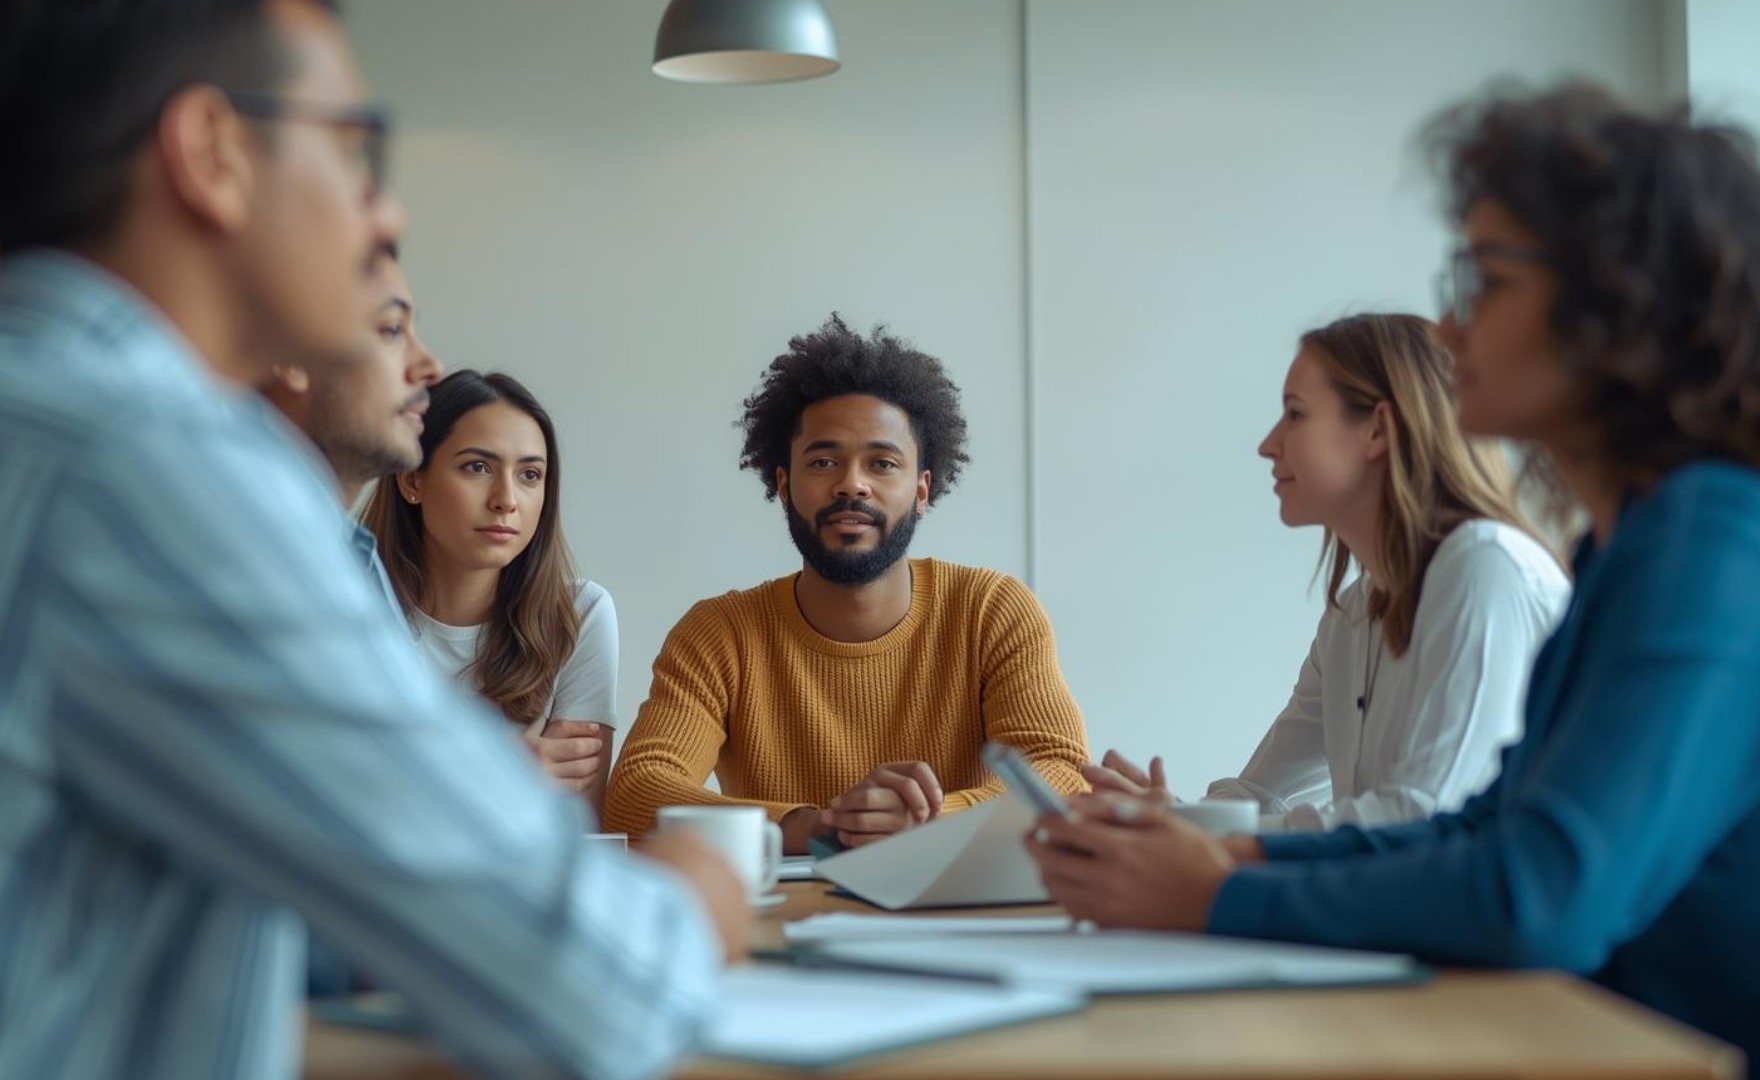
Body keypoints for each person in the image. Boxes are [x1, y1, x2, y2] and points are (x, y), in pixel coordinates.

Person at [0, 4, 745, 1079]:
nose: (382, 206)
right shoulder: (150, 464)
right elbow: (587, 984)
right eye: (354, 150)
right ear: (212, 154)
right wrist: (700, 891)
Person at [1026, 83, 1760, 1071]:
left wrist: (1215, 891)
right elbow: (1485, 828)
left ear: (1613, 303)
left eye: (1482, 282)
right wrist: (1229, 856)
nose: (1448, 332)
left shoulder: (1705, 548)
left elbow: (1535, 894)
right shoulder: (1623, 547)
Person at [604, 314, 1091, 853]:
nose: (851, 484)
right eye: (824, 461)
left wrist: (931, 821)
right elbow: (635, 794)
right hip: (781, 925)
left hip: (953, 917)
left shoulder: (991, 610)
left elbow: (1061, 774)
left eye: (882, 463)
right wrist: (811, 826)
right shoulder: (719, 633)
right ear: (784, 485)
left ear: (922, 491)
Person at [1087, 313, 1569, 831]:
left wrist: (1193, 835)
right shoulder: (1354, 612)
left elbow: (1419, 819)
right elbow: (1262, 798)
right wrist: (1175, 821)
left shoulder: (1484, 568)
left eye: (1294, 414)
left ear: (1378, 430)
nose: (1268, 444)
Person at [362, 370, 617, 810]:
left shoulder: (580, 614)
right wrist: (502, 769)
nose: (506, 499)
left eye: (530, 475)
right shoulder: (349, 611)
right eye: (477, 467)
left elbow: (575, 826)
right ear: (411, 480)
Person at [263, 241, 439, 613]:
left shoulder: (358, 559)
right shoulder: (239, 558)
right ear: (292, 357)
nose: (430, 365)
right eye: (392, 330)